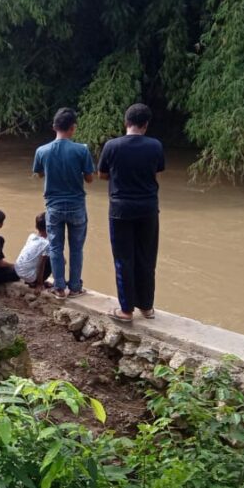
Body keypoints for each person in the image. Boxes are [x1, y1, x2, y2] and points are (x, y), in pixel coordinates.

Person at [99, 103, 164, 323]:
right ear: (146, 125)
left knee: (123, 259)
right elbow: (157, 172)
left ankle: (126, 310)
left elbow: (102, 175)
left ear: (126, 122)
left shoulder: (111, 146)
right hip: (148, 208)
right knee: (147, 257)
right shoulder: (155, 146)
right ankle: (147, 307)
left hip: (120, 209)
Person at [33, 107, 94, 299]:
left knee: (55, 247)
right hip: (76, 205)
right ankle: (75, 287)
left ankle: (59, 288)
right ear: (73, 128)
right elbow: (90, 179)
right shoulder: (81, 150)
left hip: (54, 206)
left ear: (54, 127)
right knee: (76, 248)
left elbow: (39, 173)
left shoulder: (42, 151)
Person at [14, 213, 53, 289]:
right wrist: (40, 284)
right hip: (29, 277)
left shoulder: (31, 236)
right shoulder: (47, 244)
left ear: (36, 226)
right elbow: (42, 265)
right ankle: (35, 282)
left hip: (18, 271)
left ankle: (33, 280)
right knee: (53, 259)